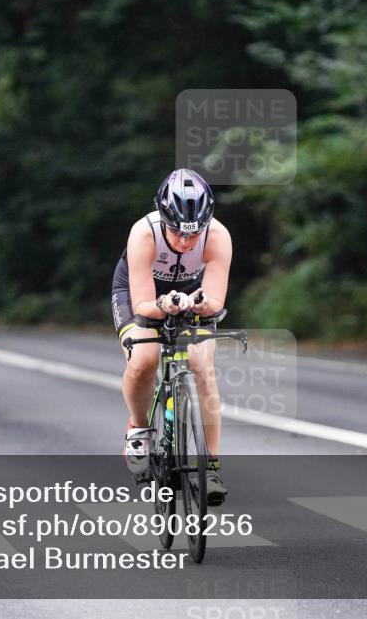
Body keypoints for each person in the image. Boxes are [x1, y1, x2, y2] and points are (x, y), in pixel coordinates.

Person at [110, 169, 232, 505]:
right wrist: (163, 304)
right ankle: (138, 428)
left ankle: (211, 467)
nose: (186, 242)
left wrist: (202, 303)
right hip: (141, 293)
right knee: (144, 359)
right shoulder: (143, 234)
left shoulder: (218, 236)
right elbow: (143, 305)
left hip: (191, 292)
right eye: (177, 232)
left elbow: (216, 300)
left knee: (202, 366)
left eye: (194, 234)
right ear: (163, 218)